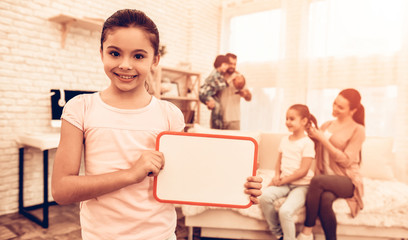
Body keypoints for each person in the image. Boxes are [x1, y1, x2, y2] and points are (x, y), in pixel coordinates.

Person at [51, 9, 263, 240]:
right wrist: (131, 174)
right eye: (114, 53)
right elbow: (62, 190)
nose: (125, 65)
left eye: (138, 56)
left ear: (155, 60)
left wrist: (237, 186)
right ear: (101, 53)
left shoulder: (170, 114)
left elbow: (184, 180)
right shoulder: (79, 108)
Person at [296, 88, 366, 240]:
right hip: (327, 179)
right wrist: (310, 131)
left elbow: (347, 160)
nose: (335, 108)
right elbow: (316, 145)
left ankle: (306, 232)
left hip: (347, 180)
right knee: (325, 200)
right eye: (335, 103)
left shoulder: (358, 130)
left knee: (316, 181)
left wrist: (323, 140)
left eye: (340, 107)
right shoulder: (327, 125)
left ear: (352, 110)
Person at [260, 104, 318, 240]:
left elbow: (303, 171)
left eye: (292, 119)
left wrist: (282, 181)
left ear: (304, 121)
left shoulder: (308, 143)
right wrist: (276, 176)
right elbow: (278, 162)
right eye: (286, 118)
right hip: (285, 183)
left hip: (302, 186)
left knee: (285, 211)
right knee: (264, 197)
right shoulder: (284, 140)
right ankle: (279, 233)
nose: (288, 122)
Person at [218, 53, 252, 130]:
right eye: (230, 63)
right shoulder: (218, 77)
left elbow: (249, 98)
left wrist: (245, 94)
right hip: (218, 119)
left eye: (235, 64)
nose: (233, 66)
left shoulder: (240, 78)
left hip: (234, 119)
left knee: (235, 141)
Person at [199, 54, 230, 129]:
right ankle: (215, 126)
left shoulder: (219, 74)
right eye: (225, 65)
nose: (227, 67)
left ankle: (219, 124)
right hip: (204, 93)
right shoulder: (215, 74)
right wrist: (228, 82)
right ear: (219, 64)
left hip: (210, 94)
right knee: (216, 106)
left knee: (219, 105)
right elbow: (218, 85)